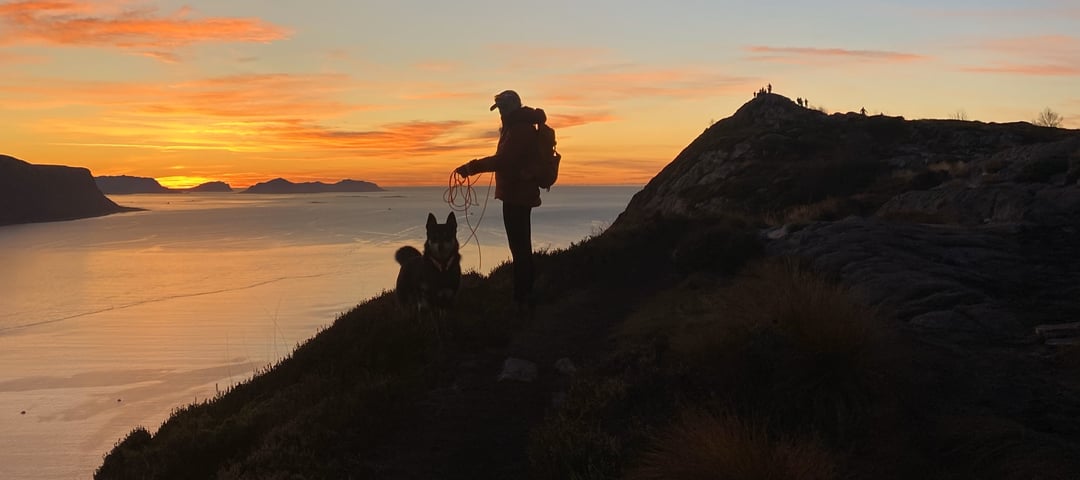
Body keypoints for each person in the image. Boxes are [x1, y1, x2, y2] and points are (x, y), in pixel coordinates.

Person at [455, 90, 546, 310]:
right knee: (521, 246)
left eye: (504, 107)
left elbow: (504, 160)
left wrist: (471, 167)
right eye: (499, 109)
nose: (501, 112)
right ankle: (525, 294)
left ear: (514, 106)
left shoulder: (519, 129)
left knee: (519, 248)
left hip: (517, 195)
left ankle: (522, 298)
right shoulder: (516, 127)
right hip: (517, 194)